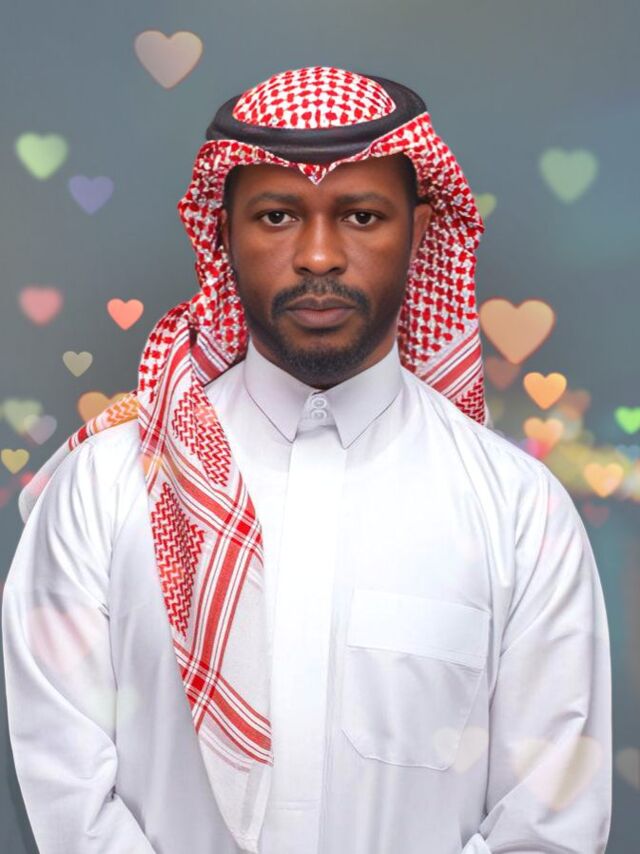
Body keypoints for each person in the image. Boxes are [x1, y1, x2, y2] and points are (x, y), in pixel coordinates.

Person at [1, 66, 611, 854]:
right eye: (278, 215)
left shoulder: (520, 511)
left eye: (361, 215)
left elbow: (551, 816)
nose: (319, 255)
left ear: (420, 232)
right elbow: (68, 793)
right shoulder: (104, 490)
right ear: (224, 232)